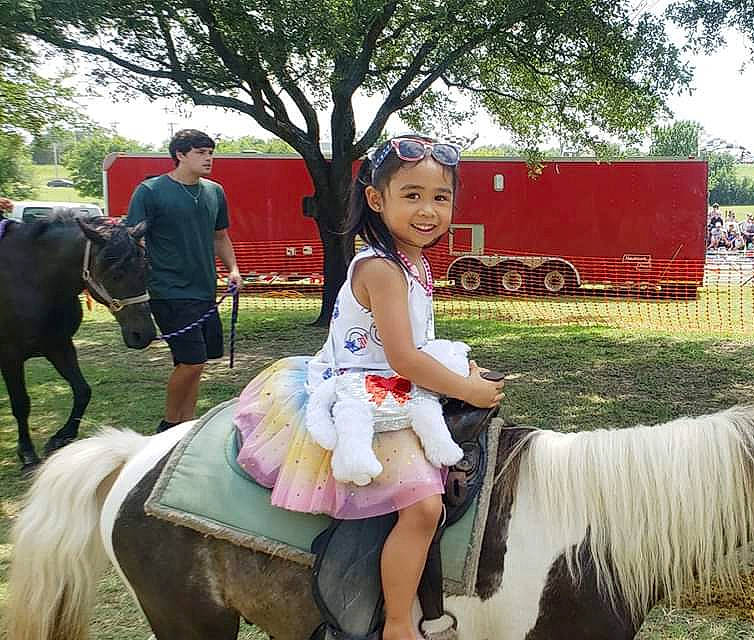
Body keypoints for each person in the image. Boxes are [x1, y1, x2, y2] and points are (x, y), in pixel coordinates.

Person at [233, 135, 505, 640]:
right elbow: (402, 356)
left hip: (391, 380)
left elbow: (413, 343)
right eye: (412, 195)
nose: (428, 210)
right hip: (366, 392)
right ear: (377, 200)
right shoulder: (381, 267)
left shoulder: (412, 261)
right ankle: (398, 624)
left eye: (440, 197)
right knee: (424, 508)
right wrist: (468, 392)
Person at [125, 129, 242, 434]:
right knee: (192, 361)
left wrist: (233, 269)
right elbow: (133, 240)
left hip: (205, 290)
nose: (209, 158)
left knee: (196, 363)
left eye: (211, 153)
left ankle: (185, 425)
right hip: (168, 291)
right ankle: (167, 425)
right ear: (180, 155)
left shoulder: (215, 192)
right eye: (201, 152)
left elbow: (220, 237)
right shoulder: (150, 191)